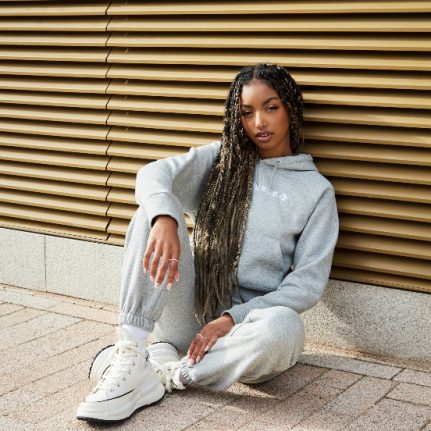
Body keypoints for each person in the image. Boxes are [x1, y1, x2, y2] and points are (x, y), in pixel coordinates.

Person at [76, 63, 339, 422]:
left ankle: (169, 374)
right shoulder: (222, 160)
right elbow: (153, 173)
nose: (259, 122)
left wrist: (231, 319)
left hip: (242, 333)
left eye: (271, 107)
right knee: (150, 212)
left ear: (290, 109)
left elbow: (307, 284)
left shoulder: (316, 191)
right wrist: (165, 218)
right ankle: (133, 350)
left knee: (287, 328)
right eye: (247, 112)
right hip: (188, 312)